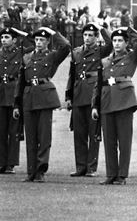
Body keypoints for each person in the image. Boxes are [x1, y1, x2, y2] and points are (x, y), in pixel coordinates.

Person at [91, 26, 137, 185]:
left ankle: (122, 175)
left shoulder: (131, 57)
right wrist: (95, 105)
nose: (116, 43)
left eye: (120, 40)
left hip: (124, 101)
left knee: (124, 140)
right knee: (109, 141)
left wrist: (127, 29)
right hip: (107, 100)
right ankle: (111, 174)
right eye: (114, 40)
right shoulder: (104, 61)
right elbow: (98, 84)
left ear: (126, 42)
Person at [15, 26, 71, 182]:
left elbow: (66, 46)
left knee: (44, 137)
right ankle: (31, 171)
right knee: (31, 137)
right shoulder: (26, 57)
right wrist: (16, 104)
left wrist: (53, 32)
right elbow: (21, 81)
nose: (39, 42)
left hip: (45, 97)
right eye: (37, 40)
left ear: (47, 42)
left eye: (42, 40)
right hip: (28, 97)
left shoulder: (52, 56)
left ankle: (40, 170)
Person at [65, 23, 112, 178]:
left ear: (96, 36)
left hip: (93, 93)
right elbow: (72, 74)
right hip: (78, 93)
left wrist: (102, 28)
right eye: (85, 35)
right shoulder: (76, 52)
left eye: (91, 35)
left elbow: (111, 42)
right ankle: (80, 167)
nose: (87, 38)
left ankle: (91, 167)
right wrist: (68, 96)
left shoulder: (100, 50)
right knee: (79, 133)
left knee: (93, 133)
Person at [0, 27, 31, 174]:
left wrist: (22, 34)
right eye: (3, 37)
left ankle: (11, 163)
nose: (4, 40)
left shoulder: (20, 52)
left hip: (14, 93)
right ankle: (1, 162)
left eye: (7, 37)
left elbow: (33, 44)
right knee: (1, 130)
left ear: (14, 39)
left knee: (14, 130)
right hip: (1, 93)